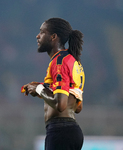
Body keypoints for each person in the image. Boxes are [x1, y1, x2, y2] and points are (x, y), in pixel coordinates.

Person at [22, 18, 85, 150]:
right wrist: (42, 87)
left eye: (42, 32)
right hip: (71, 131)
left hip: (60, 133)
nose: (37, 36)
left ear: (53, 37)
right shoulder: (73, 62)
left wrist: (39, 89)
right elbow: (77, 108)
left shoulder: (59, 62)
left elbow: (60, 105)